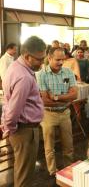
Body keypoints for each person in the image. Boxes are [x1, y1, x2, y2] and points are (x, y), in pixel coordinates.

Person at [0, 36, 46, 187]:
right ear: (27, 56)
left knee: (20, 171)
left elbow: (9, 103)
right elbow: (13, 110)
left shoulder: (15, 67)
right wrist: (11, 128)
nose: (42, 63)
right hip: (24, 131)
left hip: (20, 129)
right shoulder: (24, 76)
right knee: (25, 176)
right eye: (39, 59)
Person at [37, 47, 77, 176]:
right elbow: (44, 101)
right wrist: (65, 99)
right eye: (57, 60)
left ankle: (68, 169)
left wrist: (55, 97)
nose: (61, 62)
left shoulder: (68, 72)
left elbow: (74, 94)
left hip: (65, 113)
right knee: (49, 146)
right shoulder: (41, 74)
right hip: (48, 114)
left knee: (69, 145)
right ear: (49, 58)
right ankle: (52, 172)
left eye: (62, 59)